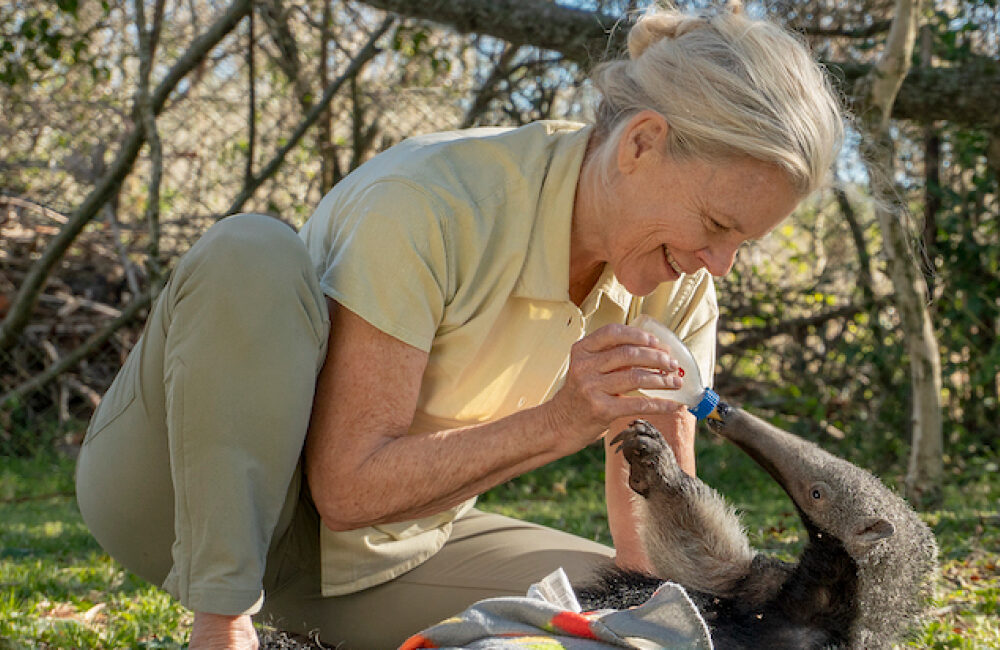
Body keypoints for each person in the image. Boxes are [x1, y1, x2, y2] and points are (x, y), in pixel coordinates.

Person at [75, 3, 843, 648]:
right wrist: (559, 422)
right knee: (251, 250)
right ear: (642, 143)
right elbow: (344, 488)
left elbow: (650, 528)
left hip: (382, 560)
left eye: (744, 241)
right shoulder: (430, 204)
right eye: (716, 224)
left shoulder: (676, 276)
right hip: (175, 509)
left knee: (659, 620)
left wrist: (675, 625)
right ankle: (222, 620)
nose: (721, 264)